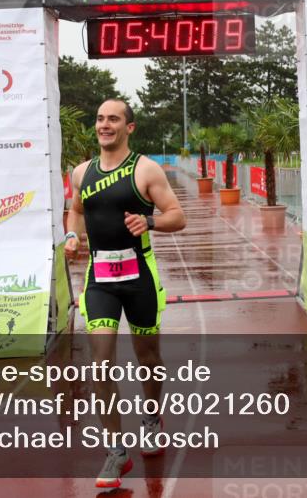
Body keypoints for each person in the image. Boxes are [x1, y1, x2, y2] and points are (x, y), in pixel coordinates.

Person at [64, 99, 186, 489]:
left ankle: (151, 419)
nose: (105, 125)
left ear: (129, 128)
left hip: (139, 278)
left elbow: (177, 215)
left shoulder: (145, 170)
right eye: (100, 118)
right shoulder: (82, 172)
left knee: (147, 357)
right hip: (99, 278)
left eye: (113, 119)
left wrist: (148, 220)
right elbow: (78, 211)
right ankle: (116, 450)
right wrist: (72, 235)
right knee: (100, 362)